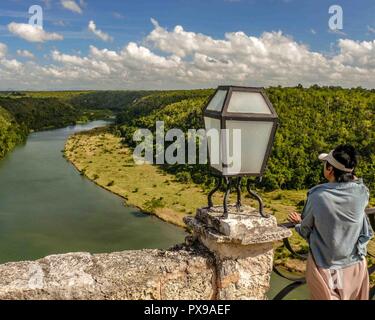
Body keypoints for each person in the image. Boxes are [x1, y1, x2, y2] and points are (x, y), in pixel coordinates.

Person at [288, 144, 373, 300]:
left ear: (330, 170)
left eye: (326, 163)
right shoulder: (362, 192)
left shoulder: (317, 195)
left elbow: (306, 230)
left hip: (327, 268)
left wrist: (298, 224)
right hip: (356, 264)